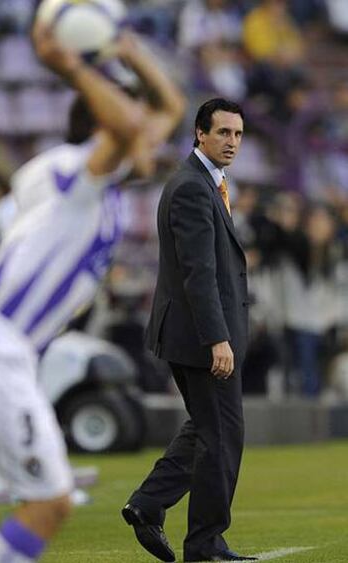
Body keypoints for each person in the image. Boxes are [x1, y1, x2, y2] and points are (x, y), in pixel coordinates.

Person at [0, 21, 183, 563]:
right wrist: (73, 67)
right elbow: (126, 125)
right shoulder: (69, 173)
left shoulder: (103, 182)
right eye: (134, 130)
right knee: (49, 502)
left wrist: (129, 50)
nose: (152, 138)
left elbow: (169, 108)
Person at [122, 98, 257, 562]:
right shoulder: (191, 188)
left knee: (206, 428)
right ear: (200, 133)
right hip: (201, 336)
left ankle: (147, 503)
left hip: (197, 331)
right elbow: (198, 272)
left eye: (238, 134)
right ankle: (205, 545)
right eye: (223, 133)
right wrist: (217, 338)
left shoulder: (206, 183)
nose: (232, 142)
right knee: (222, 438)